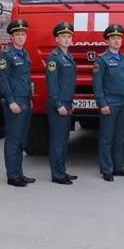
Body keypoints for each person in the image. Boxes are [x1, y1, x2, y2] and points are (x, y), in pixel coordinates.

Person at [93, 23, 124, 181]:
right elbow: (97, 85)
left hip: (123, 104)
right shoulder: (102, 60)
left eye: (119, 38)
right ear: (107, 41)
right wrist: (102, 104)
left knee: (120, 138)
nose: (117, 41)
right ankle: (107, 170)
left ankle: (118, 167)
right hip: (109, 104)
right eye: (113, 38)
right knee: (106, 138)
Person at [0, 19, 35, 187]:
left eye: (23, 34)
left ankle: (19, 172)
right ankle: (12, 176)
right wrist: (11, 101)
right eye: (17, 34)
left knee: (21, 139)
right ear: (11, 37)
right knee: (13, 139)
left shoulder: (25, 53)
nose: (20, 37)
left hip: (25, 101)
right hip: (15, 102)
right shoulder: (6, 55)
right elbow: (3, 80)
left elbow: (26, 79)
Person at [46, 21, 78, 185]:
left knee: (64, 140)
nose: (66, 39)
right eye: (63, 36)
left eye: (69, 36)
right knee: (58, 141)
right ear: (56, 39)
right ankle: (57, 174)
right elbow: (52, 85)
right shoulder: (54, 57)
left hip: (67, 103)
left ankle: (62, 171)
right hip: (58, 105)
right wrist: (58, 104)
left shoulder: (68, 56)